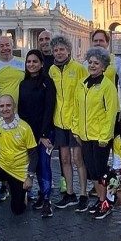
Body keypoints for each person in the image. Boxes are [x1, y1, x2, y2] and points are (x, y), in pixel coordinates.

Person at [73, 47, 120, 218]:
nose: (92, 65)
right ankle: (101, 199)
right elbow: (77, 108)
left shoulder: (107, 86)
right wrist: (76, 130)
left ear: (103, 67)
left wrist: (106, 136)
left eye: (96, 63)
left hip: (100, 136)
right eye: (90, 62)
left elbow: (111, 113)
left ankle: (105, 201)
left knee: (100, 171)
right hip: (85, 135)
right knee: (92, 170)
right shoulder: (82, 84)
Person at [0, 95, 38, 222]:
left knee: (18, 210)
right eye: (2, 106)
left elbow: (33, 154)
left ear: (14, 107)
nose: (5, 109)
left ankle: (22, 192)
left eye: (8, 105)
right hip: (2, 166)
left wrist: (30, 177)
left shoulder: (24, 127)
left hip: (19, 172)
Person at [48, 35, 88, 209]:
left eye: (61, 49)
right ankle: (70, 193)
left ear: (69, 50)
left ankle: (84, 194)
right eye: (55, 50)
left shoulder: (79, 68)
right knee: (64, 159)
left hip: (75, 121)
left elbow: (86, 93)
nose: (58, 53)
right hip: (59, 120)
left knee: (78, 159)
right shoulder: (51, 71)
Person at [17, 50, 56, 217]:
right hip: (29, 132)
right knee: (34, 165)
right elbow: (22, 110)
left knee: (43, 164)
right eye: (28, 62)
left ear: (41, 64)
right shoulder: (23, 84)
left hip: (45, 131)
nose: (31, 64)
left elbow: (49, 108)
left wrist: (44, 134)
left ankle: (47, 199)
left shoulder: (48, 82)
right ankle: (41, 194)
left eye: (34, 61)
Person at [88, 29, 121, 112]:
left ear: (107, 43)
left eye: (101, 40)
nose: (98, 43)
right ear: (92, 43)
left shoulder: (117, 61)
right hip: (92, 110)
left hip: (111, 108)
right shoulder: (86, 63)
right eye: (95, 41)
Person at [0, 35, 25, 104]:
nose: (5, 48)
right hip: (3, 108)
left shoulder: (24, 63)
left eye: (7, 45)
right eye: (1, 46)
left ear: (12, 46)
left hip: (23, 106)